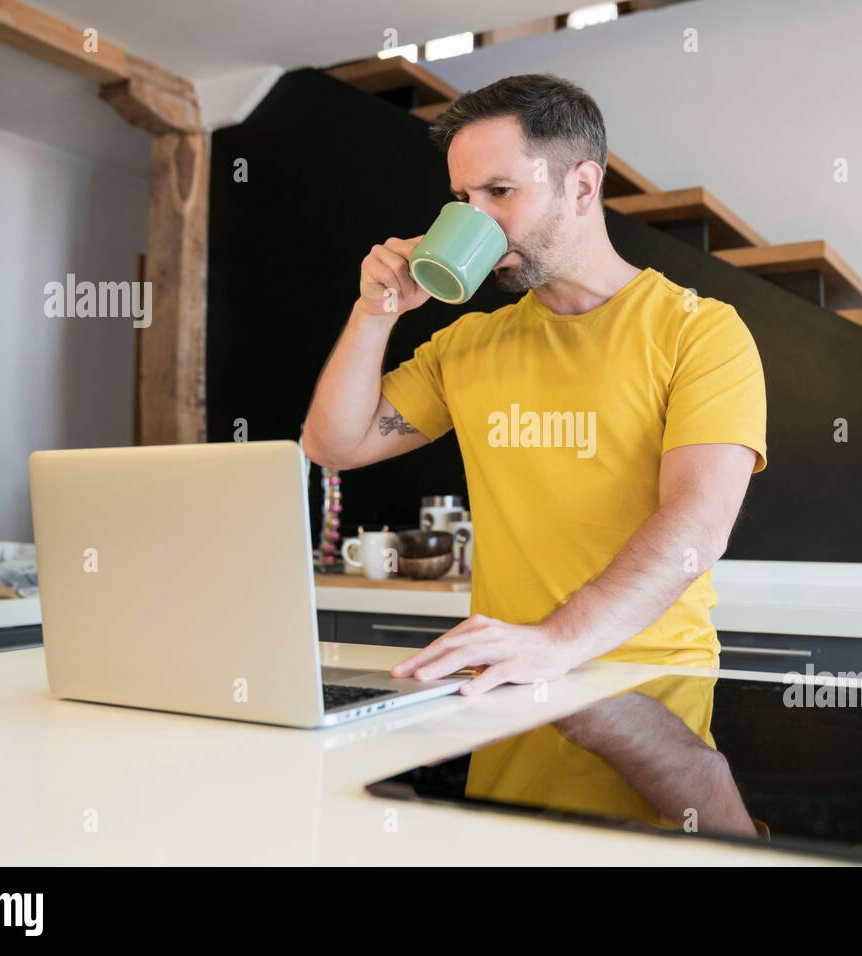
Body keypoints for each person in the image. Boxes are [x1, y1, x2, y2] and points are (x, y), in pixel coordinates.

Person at [302, 73, 767, 695]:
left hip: (651, 685)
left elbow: (698, 523)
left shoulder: (699, 332)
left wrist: (559, 641)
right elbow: (333, 445)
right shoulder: (467, 345)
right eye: (463, 200)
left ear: (581, 187)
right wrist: (374, 312)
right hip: (506, 679)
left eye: (500, 191)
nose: (477, 220)